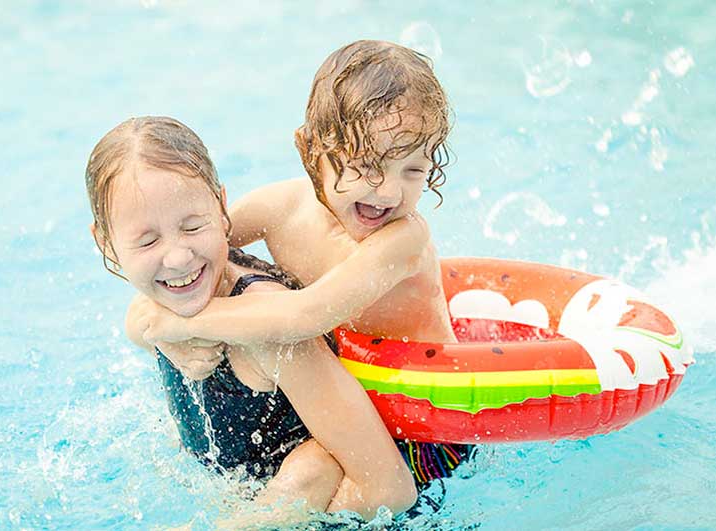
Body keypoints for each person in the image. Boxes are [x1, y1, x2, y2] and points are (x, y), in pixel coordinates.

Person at [138, 40, 474, 490]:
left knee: (314, 477)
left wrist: (178, 324)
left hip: (424, 428)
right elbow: (195, 256)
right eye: (364, 165)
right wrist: (149, 319)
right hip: (345, 412)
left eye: (412, 171)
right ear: (311, 148)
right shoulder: (282, 208)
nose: (388, 192)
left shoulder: (404, 241)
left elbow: (304, 316)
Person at [85, 115, 417, 521]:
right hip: (243, 495)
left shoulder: (270, 335)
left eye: (193, 227)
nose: (177, 257)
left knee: (313, 467)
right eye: (148, 240)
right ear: (107, 243)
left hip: (339, 509)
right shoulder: (162, 304)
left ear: (222, 210)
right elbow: (142, 322)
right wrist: (150, 328)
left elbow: (390, 489)